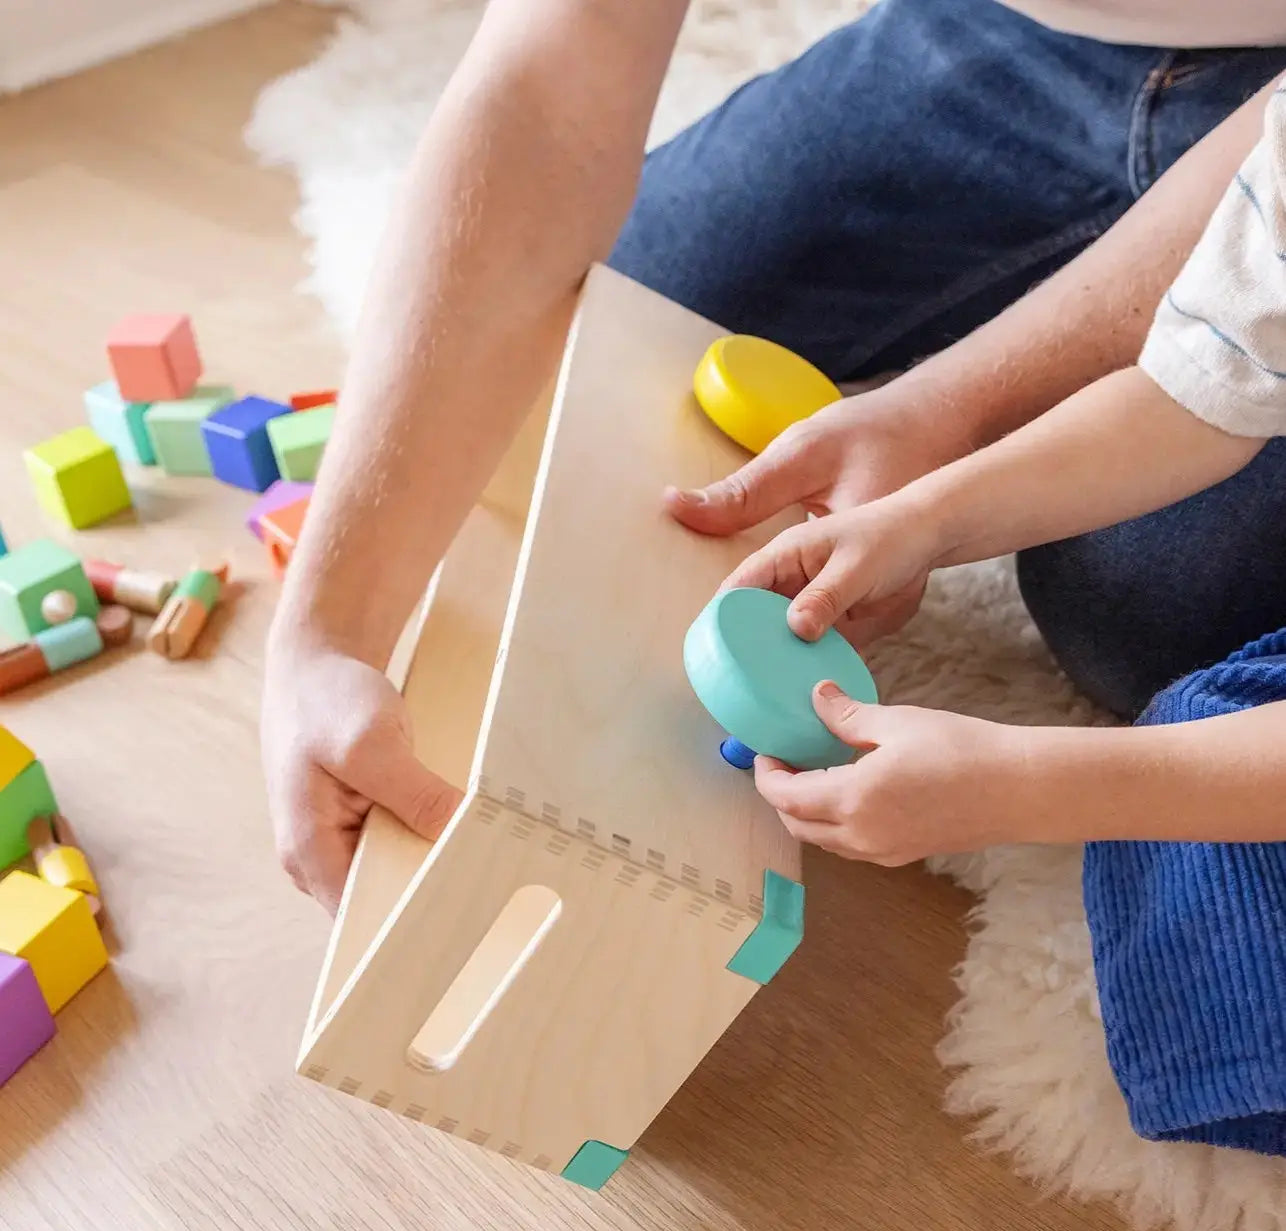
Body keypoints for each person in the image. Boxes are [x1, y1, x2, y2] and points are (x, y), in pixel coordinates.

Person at [261, 0, 1286, 912]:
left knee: (1132, 610)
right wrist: (323, 631)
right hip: (1022, 33)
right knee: (614, 334)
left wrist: (1033, 784)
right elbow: (1200, 384)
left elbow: (1230, 336)